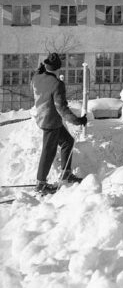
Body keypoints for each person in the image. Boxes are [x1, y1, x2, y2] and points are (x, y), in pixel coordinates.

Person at [31, 52, 88, 194]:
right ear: (58, 68)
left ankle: (66, 174)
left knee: (67, 141)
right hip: (51, 122)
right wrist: (78, 120)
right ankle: (41, 184)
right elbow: (61, 108)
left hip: (43, 117)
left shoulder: (36, 77)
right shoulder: (57, 84)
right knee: (48, 151)